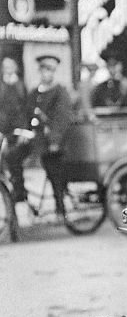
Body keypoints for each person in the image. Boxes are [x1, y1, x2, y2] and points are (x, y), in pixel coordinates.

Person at [26, 55, 75, 207]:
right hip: (40, 141)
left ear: (54, 72)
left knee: (55, 173)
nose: (46, 74)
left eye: (50, 70)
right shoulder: (35, 93)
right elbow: (28, 114)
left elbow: (62, 118)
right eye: (43, 70)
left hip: (56, 143)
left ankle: (60, 207)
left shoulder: (60, 92)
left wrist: (54, 140)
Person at [0, 56, 29, 201]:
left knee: (14, 158)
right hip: (3, 131)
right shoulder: (1, 86)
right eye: (5, 66)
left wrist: (24, 130)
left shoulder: (20, 86)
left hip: (18, 132)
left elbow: (25, 110)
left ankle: (19, 192)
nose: (8, 69)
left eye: (10, 66)